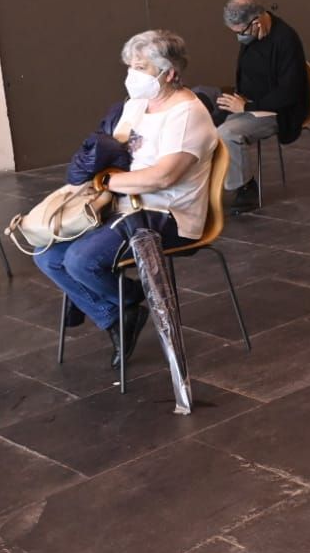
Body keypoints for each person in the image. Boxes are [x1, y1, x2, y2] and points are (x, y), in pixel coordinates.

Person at [36, 30, 215, 366]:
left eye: (142, 68)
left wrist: (107, 181)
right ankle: (120, 311)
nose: (133, 75)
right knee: (46, 252)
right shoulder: (135, 106)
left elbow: (163, 176)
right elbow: (112, 149)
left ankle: (125, 302)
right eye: (131, 66)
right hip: (119, 203)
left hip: (166, 213)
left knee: (80, 261)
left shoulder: (187, 114)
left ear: (170, 73)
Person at [214, 0, 309, 214]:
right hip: (250, 104)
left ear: (256, 22)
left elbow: (289, 92)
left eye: (241, 32)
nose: (240, 37)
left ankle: (245, 187)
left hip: (279, 111)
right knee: (203, 122)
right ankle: (203, 192)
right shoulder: (254, 35)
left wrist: (246, 108)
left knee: (227, 133)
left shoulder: (286, 40)